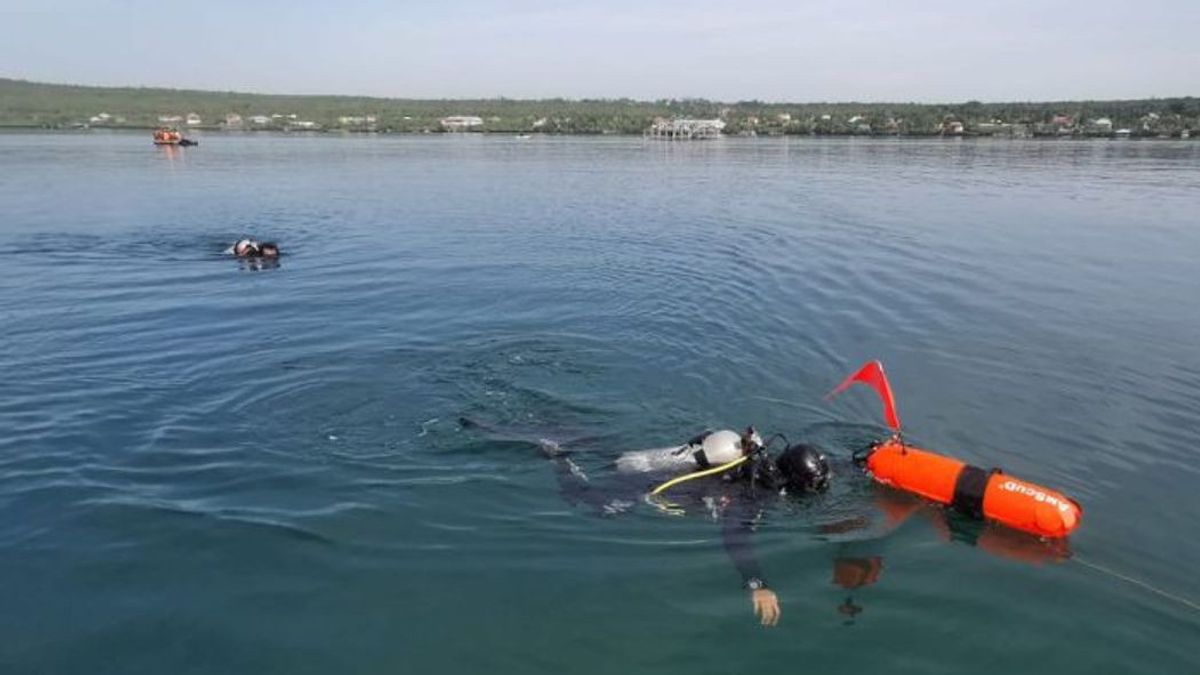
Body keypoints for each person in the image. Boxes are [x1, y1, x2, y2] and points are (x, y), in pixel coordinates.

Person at [542, 427, 831, 627]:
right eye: (814, 484)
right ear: (793, 479)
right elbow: (735, 538)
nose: (819, 488)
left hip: (668, 468)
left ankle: (579, 439)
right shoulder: (752, 496)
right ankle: (558, 459)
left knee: (616, 459)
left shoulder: (762, 464)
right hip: (653, 484)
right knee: (603, 507)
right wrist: (756, 584)